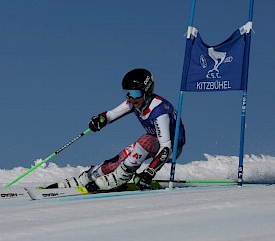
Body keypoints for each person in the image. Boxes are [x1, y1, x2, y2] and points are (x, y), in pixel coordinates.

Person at [46, 68, 185, 192]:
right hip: (154, 143)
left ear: (146, 91)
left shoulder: (159, 111)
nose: (131, 98)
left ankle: (119, 178)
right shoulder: (135, 102)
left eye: (135, 93)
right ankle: (87, 177)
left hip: (171, 149)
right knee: (117, 161)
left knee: (145, 141)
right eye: (128, 93)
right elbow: (111, 115)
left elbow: (166, 148)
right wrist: (100, 120)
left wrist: (149, 172)